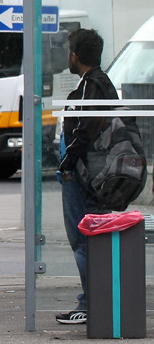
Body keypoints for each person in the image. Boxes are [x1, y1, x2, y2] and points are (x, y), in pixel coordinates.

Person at [56, 28, 116, 325]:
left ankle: (91, 302)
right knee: (88, 238)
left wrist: (67, 163)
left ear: (75, 56)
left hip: (83, 175)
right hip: (91, 172)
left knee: (83, 239)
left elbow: (84, 130)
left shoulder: (92, 86)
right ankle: (93, 300)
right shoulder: (100, 83)